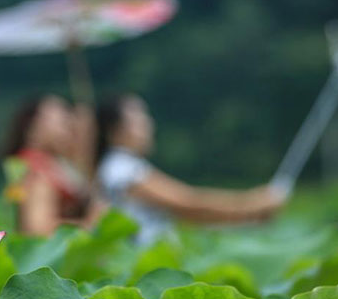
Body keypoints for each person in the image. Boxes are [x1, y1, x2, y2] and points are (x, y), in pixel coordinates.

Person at [96, 94, 285, 245]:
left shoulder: (117, 166)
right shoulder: (121, 168)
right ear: (113, 130)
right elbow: (188, 202)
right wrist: (253, 203)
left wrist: (248, 218)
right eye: (138, 120)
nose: (148, 125)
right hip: (142, 265)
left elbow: (189, 213)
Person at [0, 94, 100, 235]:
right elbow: (37, 228)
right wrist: (90, 224)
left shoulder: (42, 163)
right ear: (33, 127)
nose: (69, 130)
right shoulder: (37, 170)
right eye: (63, 122)